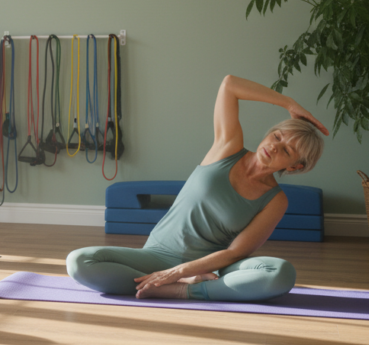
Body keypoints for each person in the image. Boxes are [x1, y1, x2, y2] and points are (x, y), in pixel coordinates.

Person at [67, 75, 327, 302]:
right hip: (157, 255)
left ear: (294, 167)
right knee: (78, 262)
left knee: (280, 274)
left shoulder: (275, 201)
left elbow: (236, 253)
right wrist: (289, 103)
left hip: (211, 268)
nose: (274, 146)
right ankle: (175, 285)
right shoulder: (227, 148)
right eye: (276, 136)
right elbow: (230, 84)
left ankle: (180, 291)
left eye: (286, 150)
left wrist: (182, 272)